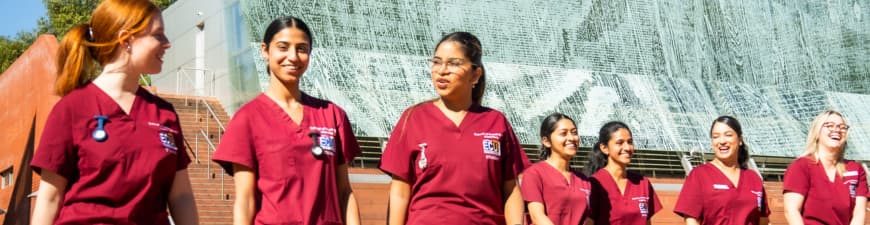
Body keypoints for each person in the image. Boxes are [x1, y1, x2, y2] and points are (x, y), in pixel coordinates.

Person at [30, 0, 198, 224]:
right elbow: (49, 198)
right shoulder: (71, 109)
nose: (167, 44)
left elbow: (181, 196)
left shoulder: (164, 114)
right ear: (126, 39)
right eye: (158, 35)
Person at [211, 16, 361, 225]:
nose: (293, 56)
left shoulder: (332, 114)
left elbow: (345, 192)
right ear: (265, 51)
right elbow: (245, 200)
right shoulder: (247, 119)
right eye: (283, 47)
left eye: (301, 49)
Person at [378, 32, 530, 225]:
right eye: (436, 62)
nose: (442, 70)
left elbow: (511, 190)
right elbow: (400, 191)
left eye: (453, 63)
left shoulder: (495, 122)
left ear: (475, 74)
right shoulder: (413, 118)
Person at [673, 116, 770, 225]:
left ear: (740, 140)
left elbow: (763, 221)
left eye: (728, 135)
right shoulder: (699, 175)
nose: (722, 141)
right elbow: (691, 220)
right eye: (716, 137)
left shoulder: (753, 178)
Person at [783, 110, 867, 225]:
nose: (837, 130)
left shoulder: (855, 169)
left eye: (842, 127)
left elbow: (859, 214)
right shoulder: (801, 167)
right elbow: (792, 211)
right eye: (829, 125)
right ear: (817, 132)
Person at [520, 113, 593, 225]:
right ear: (546, 141)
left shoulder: (584, 181)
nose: (571, 138)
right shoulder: (534, 173)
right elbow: (537, 215)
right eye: (563, 133)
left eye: (574, 133)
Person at [585, 121, 661, 225]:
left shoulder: (643, 183)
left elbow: (647, 222)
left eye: (630, 142)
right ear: (604, 148)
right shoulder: (594, 184)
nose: (627, 148)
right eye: (619, 143)